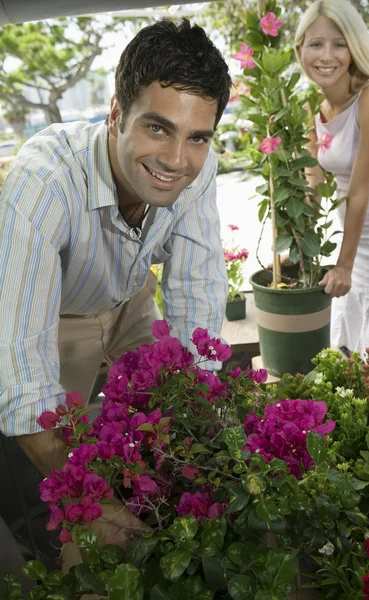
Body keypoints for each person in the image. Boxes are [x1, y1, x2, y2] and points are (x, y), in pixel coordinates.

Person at [0, 18, 231, 546]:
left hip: (129, 299)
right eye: (157, 127)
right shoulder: (43, 183)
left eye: (196, 136)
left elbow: (196, 289)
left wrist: (197, 428)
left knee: (178, 441)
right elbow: (23, 383)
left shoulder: (197, 163)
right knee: (43, 480)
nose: (177, 160)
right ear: (116, 113)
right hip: (57, 315)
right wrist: (89, 500)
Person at [294, 0, 369, 359]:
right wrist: (296, 240)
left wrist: (344, 265)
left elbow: (359, 189)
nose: (327, 55)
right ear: (300, 49)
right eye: (316, 44)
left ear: (354, 48)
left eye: (339, 44)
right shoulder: (312, 105)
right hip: (351, 239)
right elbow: (315, 187)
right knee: (351, 351)